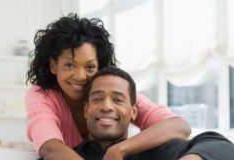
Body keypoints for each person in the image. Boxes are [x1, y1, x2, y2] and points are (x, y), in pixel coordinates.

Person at [25, 13, 191, 160]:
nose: (80, 76)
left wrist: (119, 150)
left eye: (90, 67)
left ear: (100, 67)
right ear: (54, 65)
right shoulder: (41, 95)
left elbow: (180, 126)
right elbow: (50, 147)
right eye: (69, 65)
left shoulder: (112, 96)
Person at [74, 66, 234, 160]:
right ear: (86, 109)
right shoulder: (67, 155)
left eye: (117, 100)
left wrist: (121, 149)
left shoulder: (149, 151)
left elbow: (221, 146)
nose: (106, 106)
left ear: (134, 112)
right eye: (97, 99)